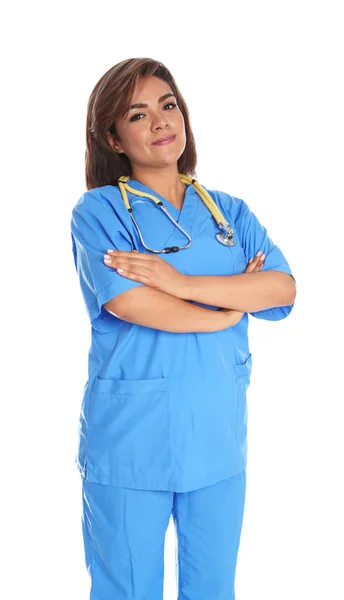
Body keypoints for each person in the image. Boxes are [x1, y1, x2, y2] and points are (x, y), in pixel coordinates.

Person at [70, 57, 297, 600]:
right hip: (131, 441)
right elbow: (130, 303)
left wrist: (181, 282)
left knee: (214, 589)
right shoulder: (100, 211)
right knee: (127, 590)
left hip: (216, 435)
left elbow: (282, 290)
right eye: (138, 114)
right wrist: (231, 306)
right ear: (114, 137)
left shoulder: (228, 212)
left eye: (168, 105)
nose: (160, 122)